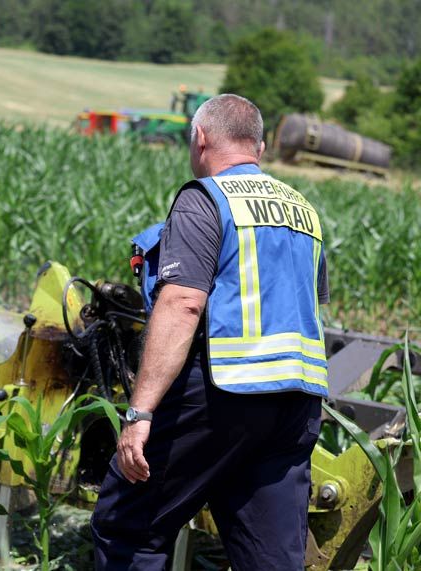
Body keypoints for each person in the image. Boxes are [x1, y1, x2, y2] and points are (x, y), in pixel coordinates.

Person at [91, 94, 329, 571]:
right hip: (296, 403)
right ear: (258, 146)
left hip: (223, 393)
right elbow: (310, 303)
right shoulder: (303, 210)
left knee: (129, 526)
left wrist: (139, 412)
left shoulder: (205, 200)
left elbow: (182, 303)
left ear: (200, 137)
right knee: (270, 557)